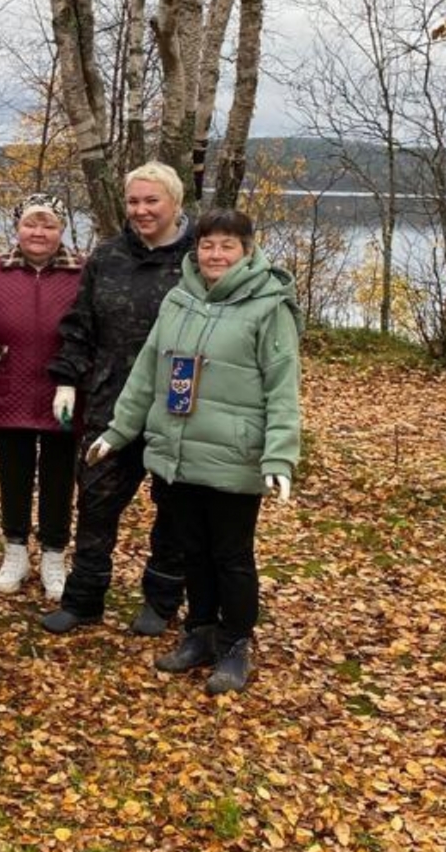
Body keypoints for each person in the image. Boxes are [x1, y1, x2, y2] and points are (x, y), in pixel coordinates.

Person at [86, 209, 301, 693]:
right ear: (195, 249)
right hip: (176, 453)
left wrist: (279, 457)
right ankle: (199, 632)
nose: (216, 254)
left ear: (247, 250)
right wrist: (119, 431)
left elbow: (283, 388)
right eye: (207, 245)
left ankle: (234, 645)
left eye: (227, 245)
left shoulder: (269, 307)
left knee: (231, 556)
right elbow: (147, 374)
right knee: (191, 551)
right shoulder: (178, 300)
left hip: (232, 456)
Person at [41, 161, 192, 636]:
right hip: (110, 403)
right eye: (133, 201)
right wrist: (67, 379)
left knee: (174, 509)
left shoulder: (197, 261)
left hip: (178, 409)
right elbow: (80, 324)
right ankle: (84, 599)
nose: (142, 210)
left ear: (175, 203)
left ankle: (161, 601)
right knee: (96, 502)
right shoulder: (106, 257)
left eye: (152, 201)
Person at [0, 192, 82, 600]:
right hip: (9, 388)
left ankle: (54, 554)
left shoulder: (83, 273)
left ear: (61, 230)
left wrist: (73, 378)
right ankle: (14, 549)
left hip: (63, 394)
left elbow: (89, 332)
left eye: (48, 224)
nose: (39, 232)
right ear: (17, 228)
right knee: (13, 473)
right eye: (31, 224)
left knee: (59, 475)